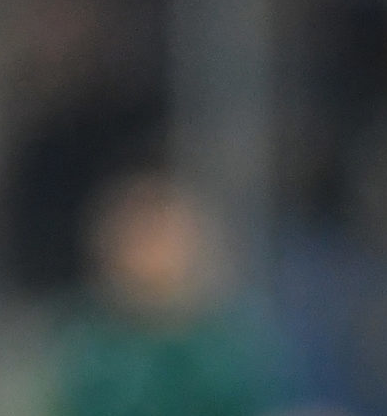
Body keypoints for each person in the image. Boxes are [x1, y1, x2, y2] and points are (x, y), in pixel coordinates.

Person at [53, 173, 279, 416]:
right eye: (139, 238)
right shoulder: (93, 349)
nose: (153, 254)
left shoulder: (227, 348)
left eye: (163, 237)